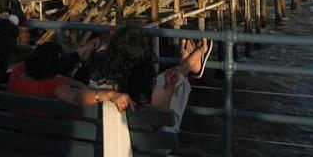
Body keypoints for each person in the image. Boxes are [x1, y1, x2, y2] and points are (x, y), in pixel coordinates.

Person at [64, 27, 212, 130]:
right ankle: (187, 68)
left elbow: (63, 85)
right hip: (142, 148)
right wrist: (169, 88)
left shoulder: (85, 78)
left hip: (94, 140)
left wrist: (84, 51)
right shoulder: (150, 91)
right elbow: (160, 123)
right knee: (179, 85)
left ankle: (186, 67)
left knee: (165, 80)